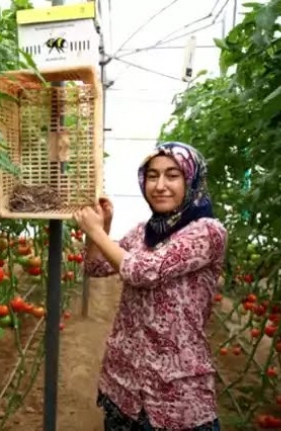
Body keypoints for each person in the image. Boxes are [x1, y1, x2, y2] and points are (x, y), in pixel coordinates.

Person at [74, 141, 227, 431]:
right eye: (152, 176)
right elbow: (95, 267)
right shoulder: (143, 232)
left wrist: (94, 230)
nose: (159, 185)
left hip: (176, 390)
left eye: (172, 175)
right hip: (123, 382)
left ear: (191, 179)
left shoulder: (208, 232)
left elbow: (143, 271)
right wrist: (104, 227)